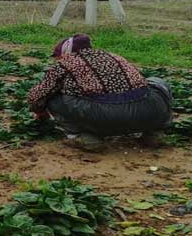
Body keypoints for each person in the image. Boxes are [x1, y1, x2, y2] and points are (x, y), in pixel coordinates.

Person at [26, 34, 173, 151]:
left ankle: (81, 137)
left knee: (52, 98)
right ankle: (154, 132)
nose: (56, 60)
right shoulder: (115, 56)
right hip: (148, 112)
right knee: (157, 82)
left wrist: (40, 112)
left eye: (57, 56)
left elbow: (36, 96)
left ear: (66, 53)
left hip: (104, 118)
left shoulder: (65, 64)